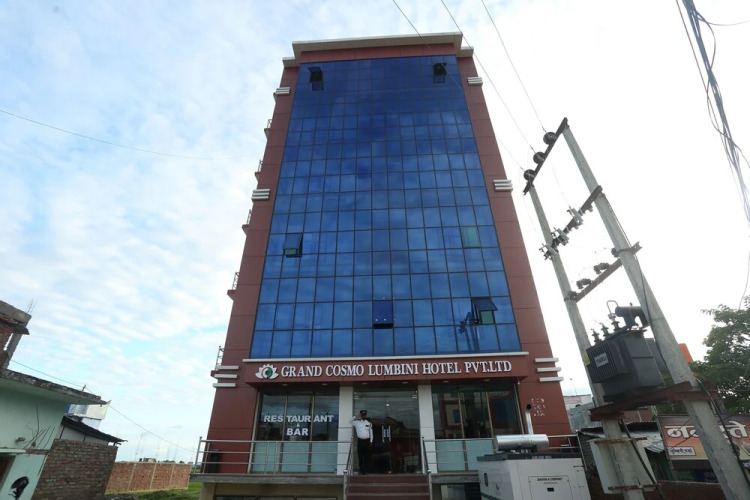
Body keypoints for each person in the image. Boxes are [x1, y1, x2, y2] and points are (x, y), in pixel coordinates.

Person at [351, 409, 373, 474]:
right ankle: (361, 469)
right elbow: (349, 421)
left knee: (366, 456)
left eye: (364, 415)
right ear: (360, 415)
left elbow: (371, 433)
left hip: (367, 441)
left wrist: (371, 441)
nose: (364, 416)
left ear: (366, 415)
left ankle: (366, 470)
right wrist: (356, 416)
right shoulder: (357, 422)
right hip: (360, 441)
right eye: (362, 415)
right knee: (360, 456)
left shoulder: (369, 423)